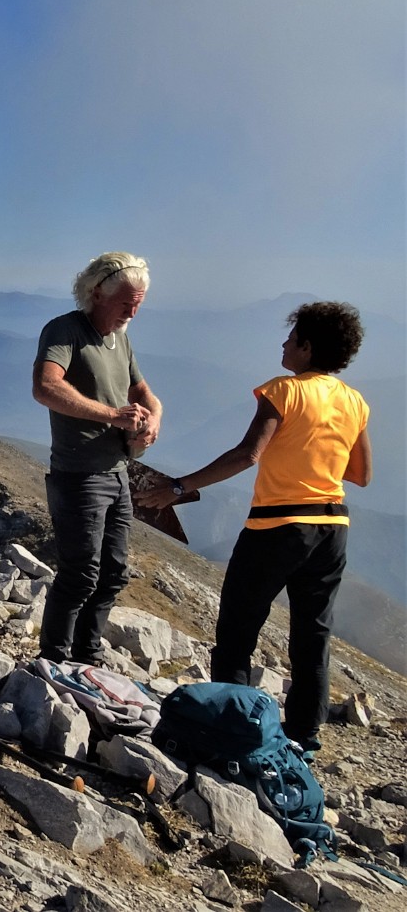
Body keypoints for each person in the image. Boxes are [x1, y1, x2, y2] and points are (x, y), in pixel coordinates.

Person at [135, 302, 370, 757]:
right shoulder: (354, 401)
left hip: (278, 525)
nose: (283, 344)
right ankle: (304, 735)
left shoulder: (283, 391)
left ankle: (232, 725)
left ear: (307, 347)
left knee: (239, 626)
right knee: (313, 632)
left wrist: (179, 487)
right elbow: (360, 474)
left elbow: (248, 454)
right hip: (332, 526)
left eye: (292, 338)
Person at [32, 252, 162, 665]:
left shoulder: (119, 337)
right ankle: (53, 659)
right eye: (127, 302)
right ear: (95, 292)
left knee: (113, 573)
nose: (134, 311)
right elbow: (45, 387)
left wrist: (153, 417)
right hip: (79, 475)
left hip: (118, 471)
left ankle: (87, 655)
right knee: (80, 573)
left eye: (139, 302)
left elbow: (142, 392)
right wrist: (112, 415)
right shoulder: (65, 331)